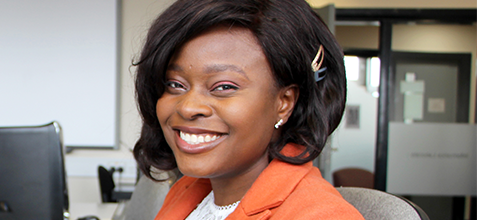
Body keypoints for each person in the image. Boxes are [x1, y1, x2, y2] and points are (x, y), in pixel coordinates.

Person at [131, 0, 363, 219]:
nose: (189, 107)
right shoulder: (188, 191)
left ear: (284, 103)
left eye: (223, 86)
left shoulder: (321, 215)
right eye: (175, 84)